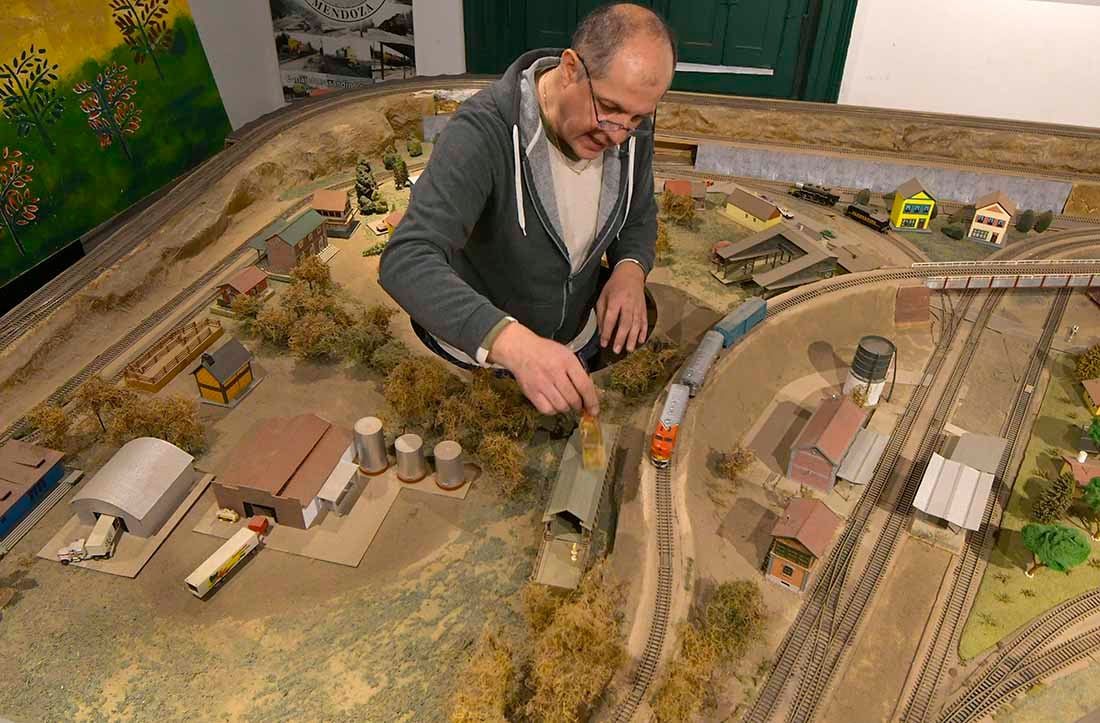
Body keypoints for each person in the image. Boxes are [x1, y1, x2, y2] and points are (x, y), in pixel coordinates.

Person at [378, 3, 676, 418]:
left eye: (637, 118)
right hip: (482, 365)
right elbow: (406, 260)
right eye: (607, 109)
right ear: (571, 68)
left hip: (575, 347)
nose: (618, 134)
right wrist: (511, 342)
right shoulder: (482, 133)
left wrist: (630, 267)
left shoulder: (630, 127)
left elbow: (638, 213)